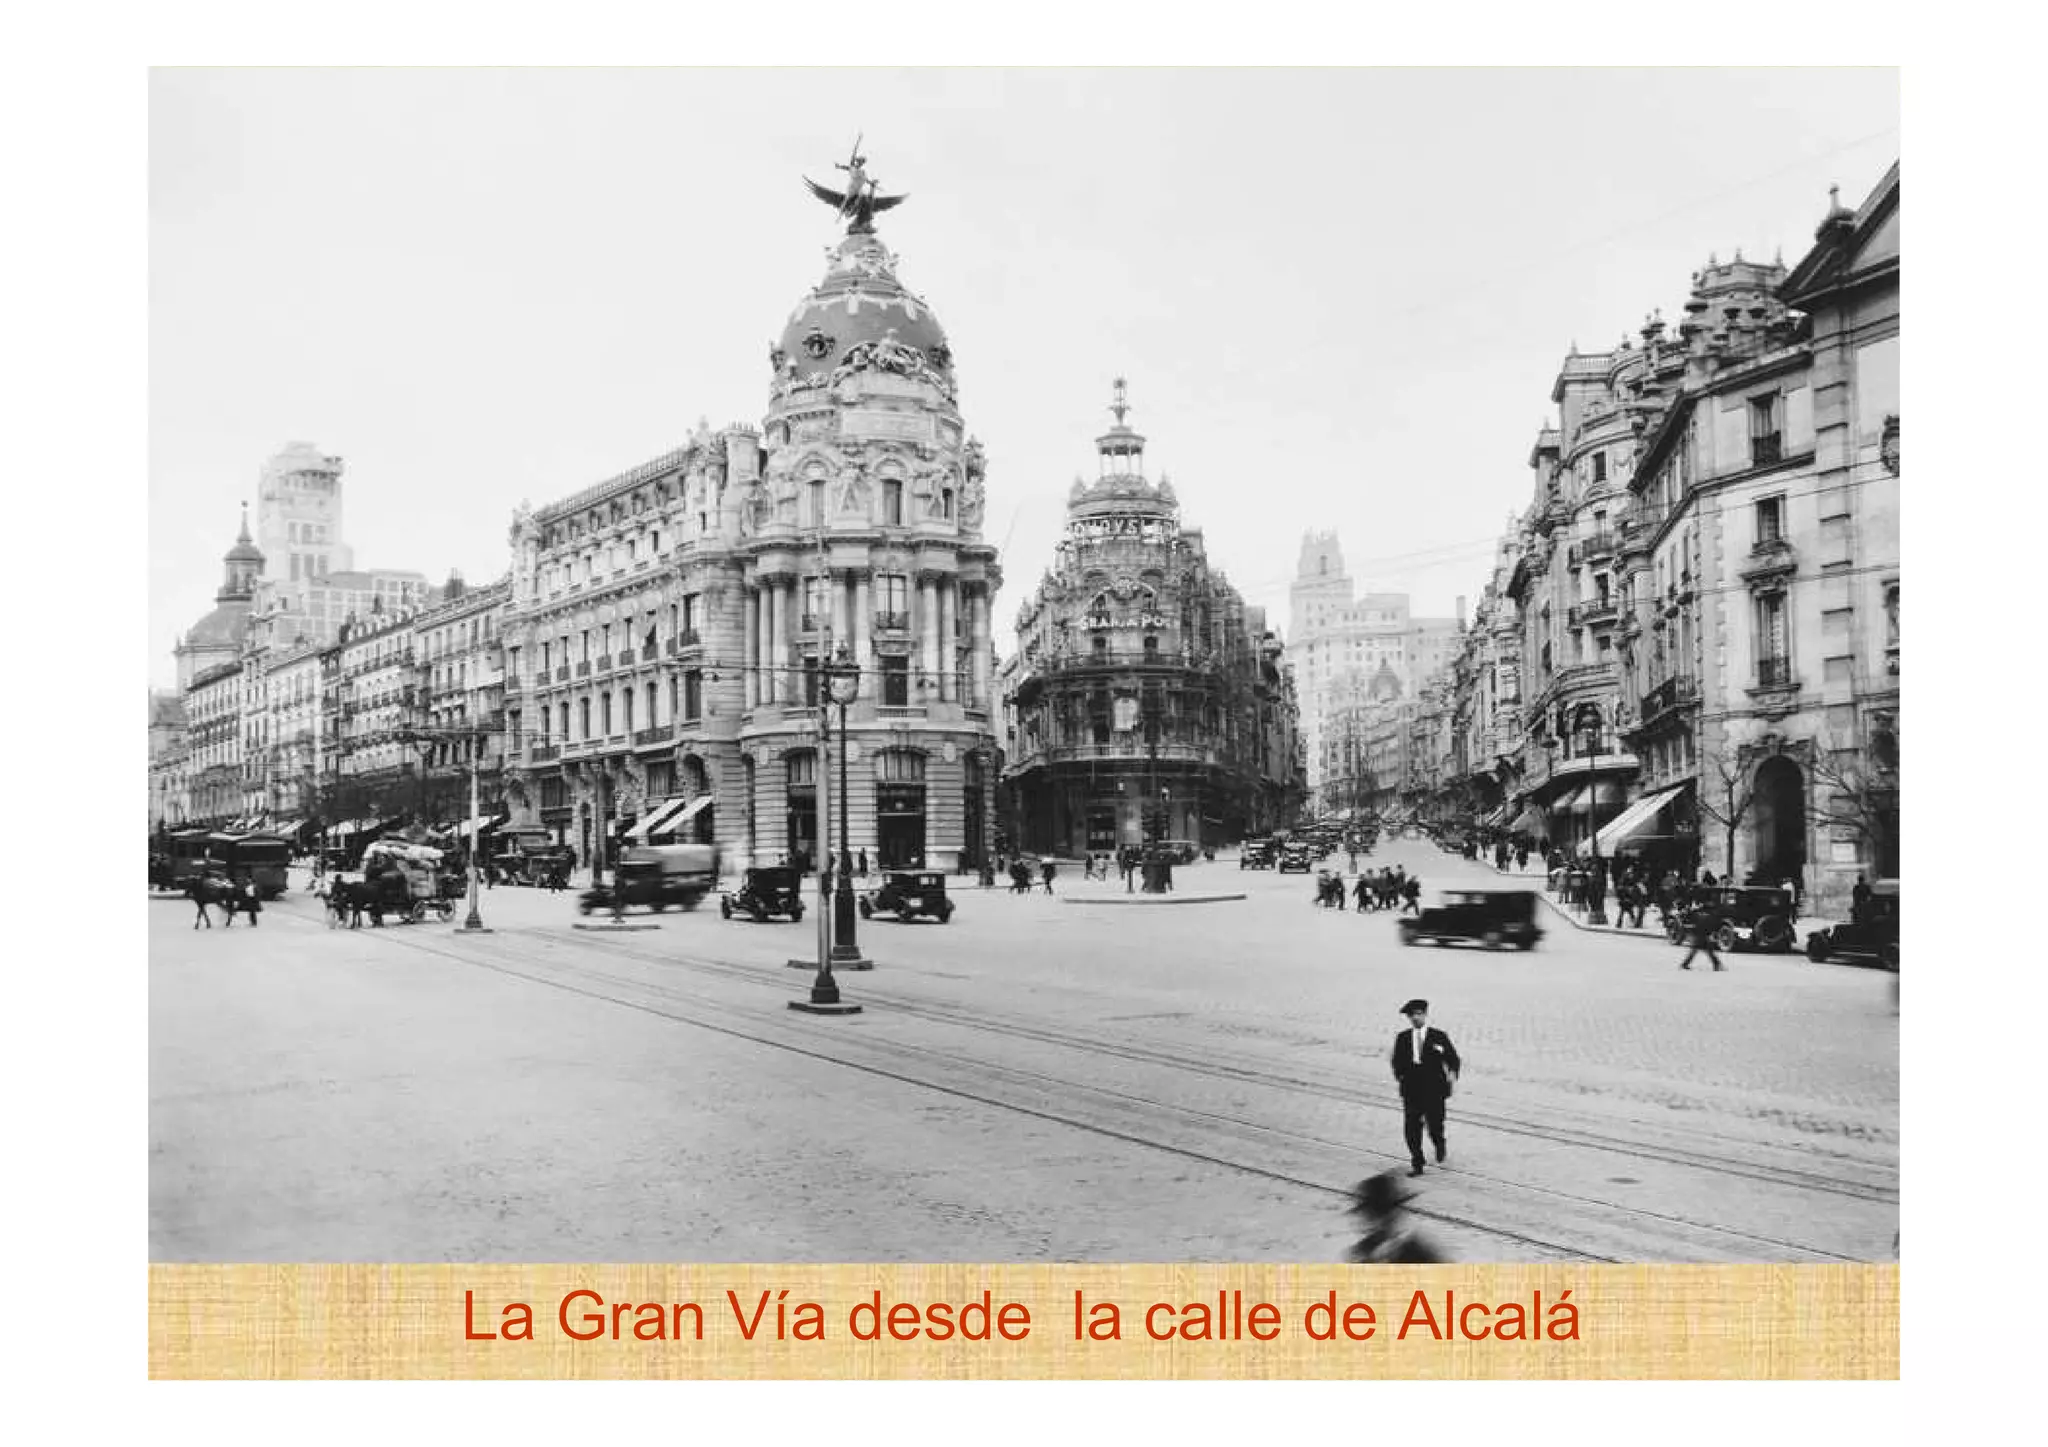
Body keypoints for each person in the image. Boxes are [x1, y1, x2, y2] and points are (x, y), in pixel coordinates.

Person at [1390, 999, 1461, 1177]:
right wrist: (1402, 1076)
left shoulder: (1439, 1036)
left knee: (1435, 1124)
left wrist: (1452, 1073)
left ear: (1425, 1015)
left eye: (1418, 1014)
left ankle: (1439, 1143)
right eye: (1411, 1015)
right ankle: (1417, 1162)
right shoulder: (1403, 1037)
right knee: (1411, 1128)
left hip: (1434, 1088)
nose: (1415, 1018)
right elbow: (1396, 1061)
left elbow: (1453, 1058)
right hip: (1412, 1088)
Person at [1345, 1170, 1446, 1264]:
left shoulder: (1417, 1254)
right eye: (1365, 1213)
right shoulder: (1362, 1251)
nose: (1363, 1220)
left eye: (1370, 1213)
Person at [1677, 895, 1726, 971]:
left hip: (1699, 933)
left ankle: (1716, 965)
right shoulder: (1710, 915)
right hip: (1703, 934)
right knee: (1706, 951)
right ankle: (1716, 965)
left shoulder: (1698, 913)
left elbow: (1689, 919)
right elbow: (1714, 925)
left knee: (1701, 950)